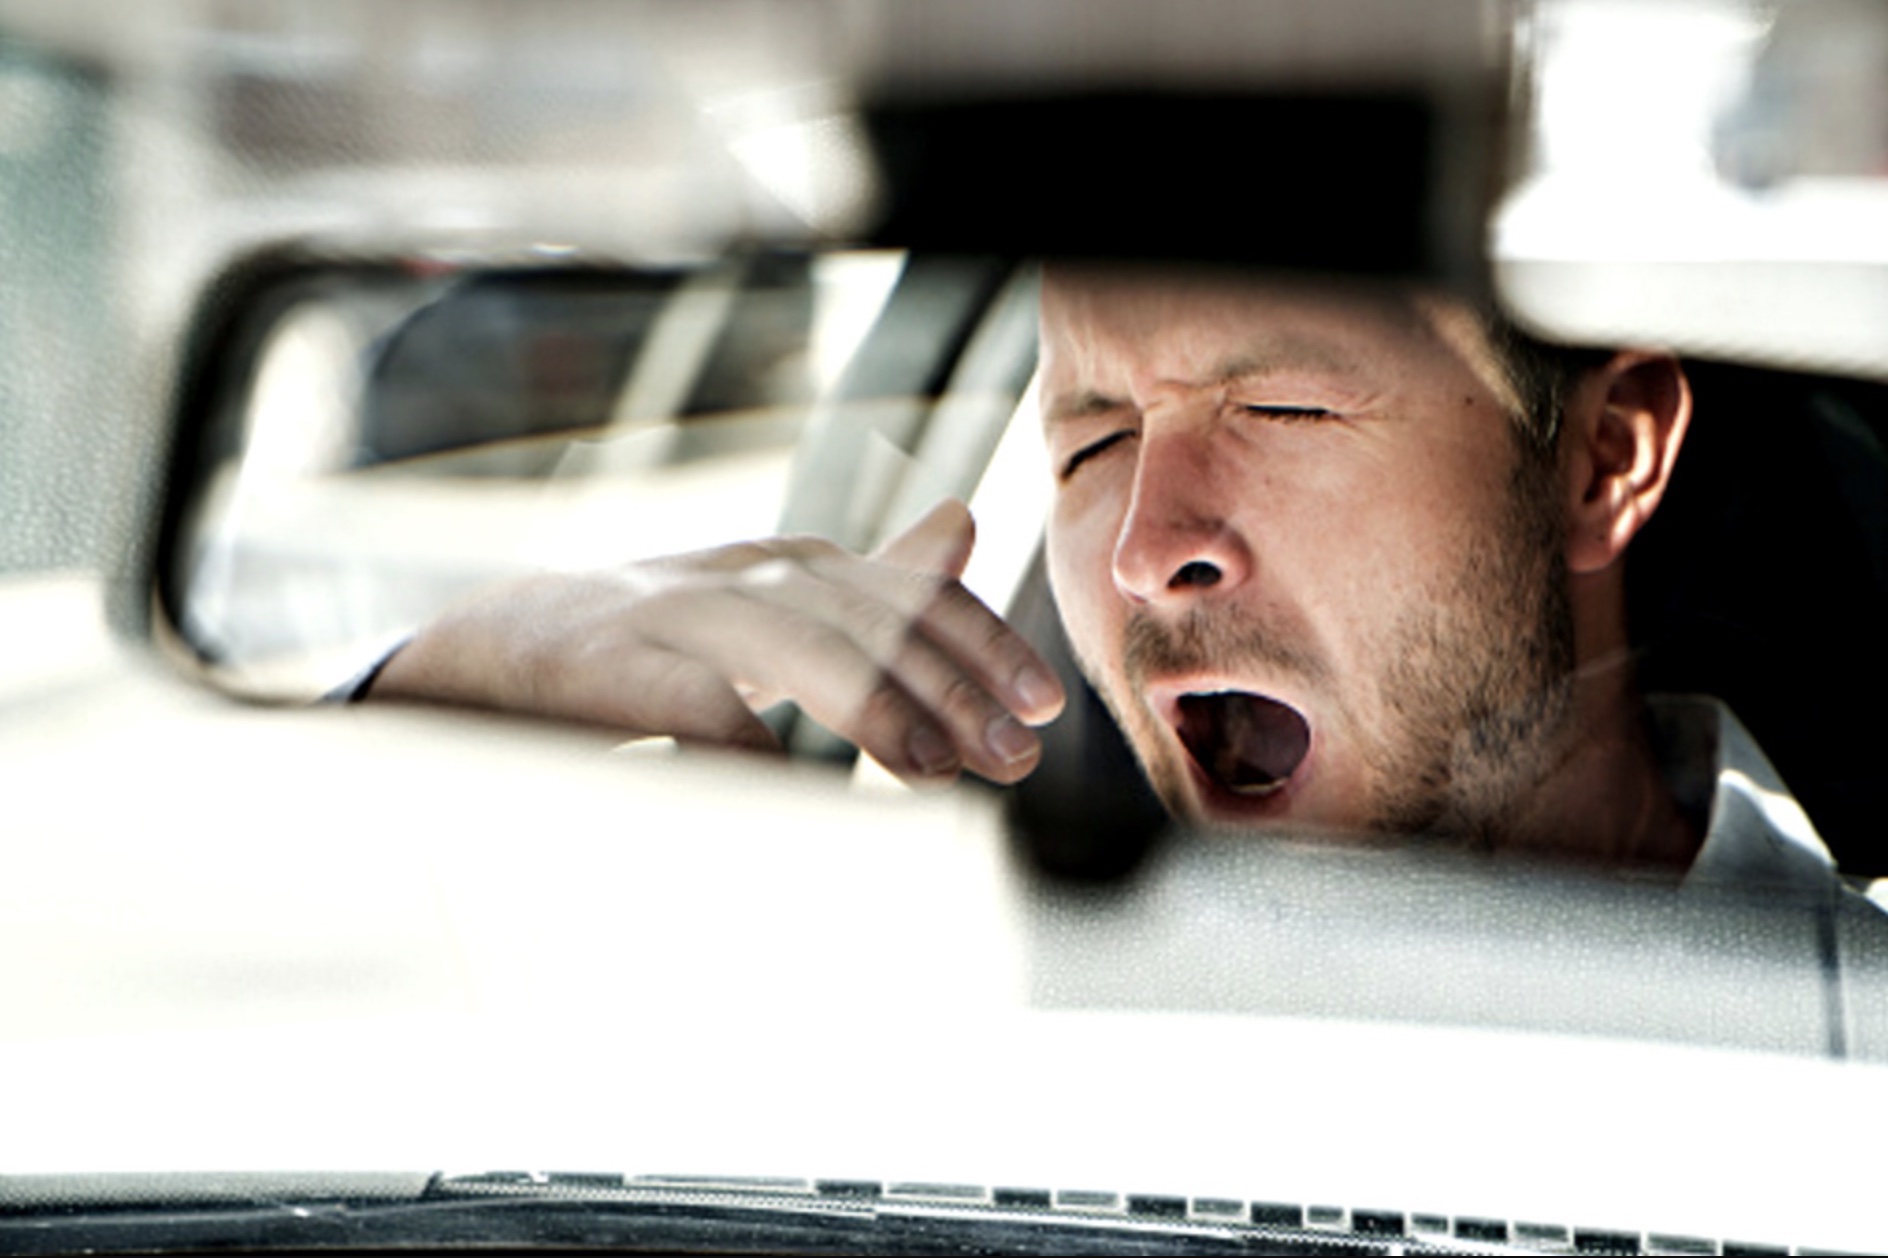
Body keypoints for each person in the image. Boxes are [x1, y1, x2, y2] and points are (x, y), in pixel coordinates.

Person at [359, 263, 1839, 884]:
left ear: (1604, 461)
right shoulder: (939, 1004)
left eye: (1283, 408)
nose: (1141, 546)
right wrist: (467, 680)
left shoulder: (1846, 1061)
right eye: (1093, 442)